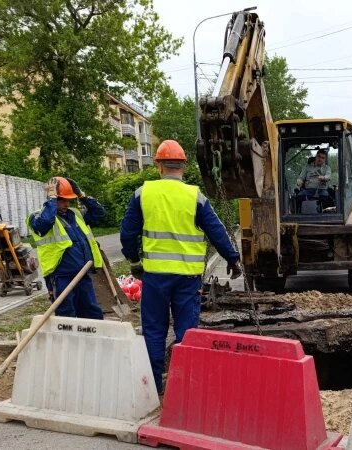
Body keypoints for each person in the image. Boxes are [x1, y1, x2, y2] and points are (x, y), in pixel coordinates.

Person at [119, 139, 242, 393]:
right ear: (183, 166)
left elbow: (127, 233)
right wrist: (232, 259)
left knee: (154, 331)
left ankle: (154, 388)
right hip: (187, 278)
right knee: (187, 331)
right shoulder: (194, 196)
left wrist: (134, 261)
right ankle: (184, 389)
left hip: (155, 277)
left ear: (159, 166)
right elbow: (217, 231)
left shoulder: (143, 193)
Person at [27, 176, 105, 319]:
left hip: (82, 274)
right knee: (66, 314)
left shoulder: (75, 214)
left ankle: (91, 340)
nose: (67, 203)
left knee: (92, 312)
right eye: (62, 200)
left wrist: (82, 196)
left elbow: (99, 213)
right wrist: (51, 201)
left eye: (69, 199)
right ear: (53, 197)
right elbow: (44, 224)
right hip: (60, 276)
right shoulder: (36, 217)